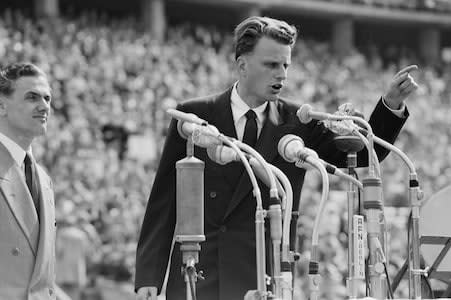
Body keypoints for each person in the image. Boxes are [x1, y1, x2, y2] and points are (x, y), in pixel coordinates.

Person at [135, 16, 418, 300]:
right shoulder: (195, 117)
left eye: (285, 65)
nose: (281, 74)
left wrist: (390, 105)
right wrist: (149, 274)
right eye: (271, 65)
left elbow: (363, 154)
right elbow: (164, 199)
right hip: (199, 274)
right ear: (242, 65)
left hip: (265, 275)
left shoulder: (299, 121)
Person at [0, 62, 56, 299]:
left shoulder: (44, 180)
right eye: (32, 97)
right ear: (2, 105)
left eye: (47, 98)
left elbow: (40, 285)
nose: (44, 106)